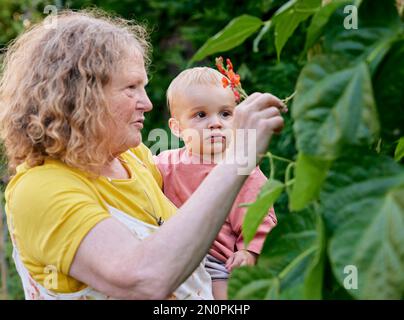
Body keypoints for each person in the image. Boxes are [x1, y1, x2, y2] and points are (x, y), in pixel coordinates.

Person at [0, 10, 285, 300]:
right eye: (131, 88)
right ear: (83, 94)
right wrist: (239, 156)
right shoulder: (39, 189)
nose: (147, 104)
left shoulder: (134, 157)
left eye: (144, 88)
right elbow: (143, 280)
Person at [155, 67, 277, 299]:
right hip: (169, 259)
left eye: (225, 114)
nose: (215, 124)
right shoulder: (165, 163)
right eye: (201, 115)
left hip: (217, 263)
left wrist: (248, 252)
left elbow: (259, 217)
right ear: (177, 128)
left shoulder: (243, 170)